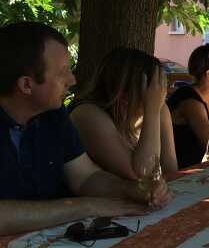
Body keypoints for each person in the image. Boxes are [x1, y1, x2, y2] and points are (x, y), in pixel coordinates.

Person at [0, 22, 172, 248]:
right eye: (62, 72)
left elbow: (86, 176)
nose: (73, 80)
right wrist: (84, 206)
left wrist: (129, 190)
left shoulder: (52, 118)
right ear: (26, 84)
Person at [70, 48, 178, 180]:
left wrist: (155, 110)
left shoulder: (157, 109)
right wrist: (152, 110)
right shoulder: (86, 114)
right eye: (155, 87)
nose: (162, 93)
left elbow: (171, 171)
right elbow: (142, 174)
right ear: (123, 96)